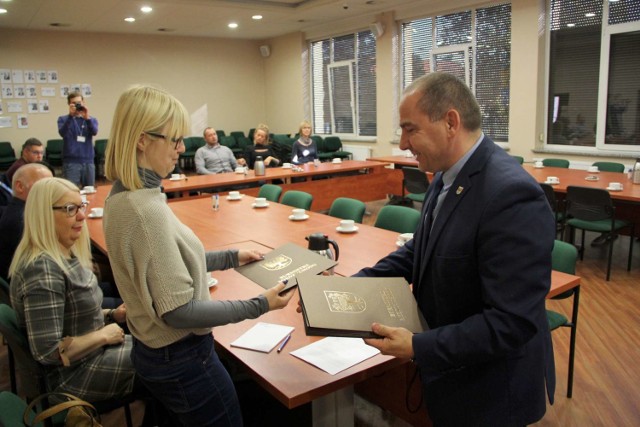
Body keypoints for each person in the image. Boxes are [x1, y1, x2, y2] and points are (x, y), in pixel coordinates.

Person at [355, 73, 556, 426]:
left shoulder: (510, 195)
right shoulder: (447, 174)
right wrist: (356, 284)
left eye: (410, 129)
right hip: (452, 375)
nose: (402, 143)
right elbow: (422, 248)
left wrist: (419, 347)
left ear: (450, 122)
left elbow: (511, 323)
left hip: (490, 393)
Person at [102, 85, 294, 426]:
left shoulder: (122, 196)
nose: (181, 149)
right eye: (174, 139)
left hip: (151, 353)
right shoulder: (147, 212)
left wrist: (232, 257)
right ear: (143, 140)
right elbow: (179, 311)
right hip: (184, 359)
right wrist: (261, 304)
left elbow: (167, 263)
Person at [8, 177, 135, 403]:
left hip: (92, 357)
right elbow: (48, 352)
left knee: (168, 351)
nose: (81, 216)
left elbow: (72, 319)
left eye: (81, 206)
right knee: (170, 358)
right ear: (44, 216)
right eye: (69, 209)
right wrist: (103, 336)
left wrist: (112, 315)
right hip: (73, 377)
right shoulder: (42, 270)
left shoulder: (62, 254)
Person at [0, 163, 53, 280]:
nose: (52, 191)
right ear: (20, 187)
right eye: (44, 185)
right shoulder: (21, 220)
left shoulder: (22, 210)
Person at [57, 91, 98, 188]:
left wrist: (87, 117)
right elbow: (63, 133)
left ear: (83, 102)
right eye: (74, 103)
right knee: (70, 190)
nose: (77, 105)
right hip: (71, 162)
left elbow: (94, 131)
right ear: (69, 104)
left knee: (90, 190)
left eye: (79, 102)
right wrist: (71, 116)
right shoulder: (63, 119)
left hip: (88, 160)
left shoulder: (91, 119)